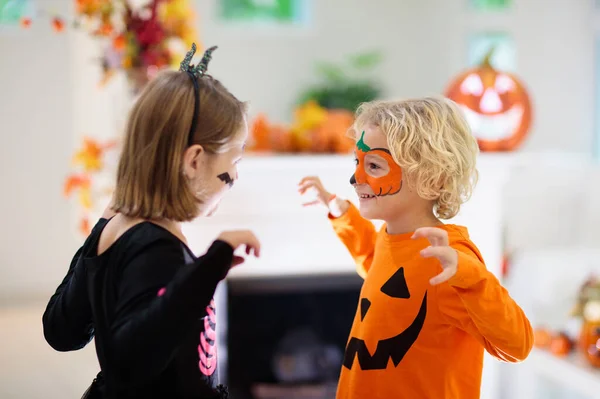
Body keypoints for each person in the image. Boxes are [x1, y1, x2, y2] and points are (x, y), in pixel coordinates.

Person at [42, 44, 260, 399]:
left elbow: (61, 330)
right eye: (234, 161)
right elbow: (132, 360)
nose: (235, 174)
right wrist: (206, 270)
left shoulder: (117, 230)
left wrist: (99, 232)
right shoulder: (158, 249)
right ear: (193, 161)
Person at [298, 97, 533, 399]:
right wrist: (340, 211)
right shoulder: (393, 238)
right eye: (357, 163)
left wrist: (468, 276)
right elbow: (375, 264)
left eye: (374, 165)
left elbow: (518, 344)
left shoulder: (447, 259)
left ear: (431, 178)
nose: (356, 178)